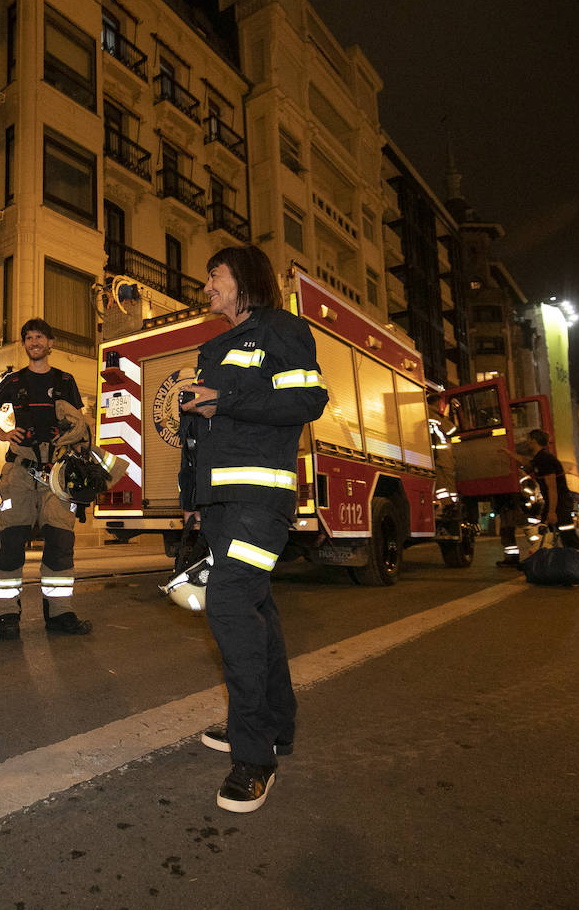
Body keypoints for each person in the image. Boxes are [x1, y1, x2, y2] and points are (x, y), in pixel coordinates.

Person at [178, 245, 328, 813]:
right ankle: (276, 727)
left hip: (260, 499)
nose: (207, 287)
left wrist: (226, 398)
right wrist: (193, 503)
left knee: (231, 603)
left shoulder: (283, 329)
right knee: (257, 608)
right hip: (220, 503)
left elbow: (307, 398)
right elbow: (204, 429)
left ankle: (254, 756)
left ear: (242, 278)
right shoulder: (215, 346)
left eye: (213, 276)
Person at [0, 319, 91, 640]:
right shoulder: (13, 381)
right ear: (25, 344)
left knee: (59, 540)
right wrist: (3, 434)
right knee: (11, 541)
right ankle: (7, 615)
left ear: (50, 343)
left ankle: (60, 613)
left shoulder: (65, 381)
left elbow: (78, 425)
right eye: (28, 337)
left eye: (39, 336)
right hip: (21, 470)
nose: (34, 341)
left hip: (55, 471)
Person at [506, 429, 579, 551]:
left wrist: (552, 512)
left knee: (567, 535)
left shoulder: (545, 460)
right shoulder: (540, 458)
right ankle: (551, 559)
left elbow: (552, 488)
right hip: (554, 503)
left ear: (533, 441)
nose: (527, 443)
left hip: (560, 504)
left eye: (528, 440)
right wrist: (509, 454)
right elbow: (526, 462)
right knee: (546, 533)